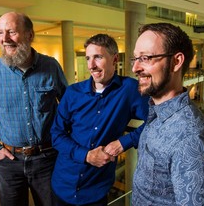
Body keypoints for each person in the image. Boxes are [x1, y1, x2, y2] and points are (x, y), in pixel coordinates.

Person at [0, 12, 68, 206]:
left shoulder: (50, 66)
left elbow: (68, 110)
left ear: (30, 35)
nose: (4, 39)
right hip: (9, 162)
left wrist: (65, 145)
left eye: (11, 32)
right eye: (0, 32)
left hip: (47, 160)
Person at [50, 33, 149, 205]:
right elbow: (56, 135)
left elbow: (156, 121)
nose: (91, 65)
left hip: (95, 191)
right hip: (62, 185)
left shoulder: (129, 90)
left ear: (114, 59)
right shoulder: (73, 93)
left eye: (98, 57)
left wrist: (123, 142)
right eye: (88, 58)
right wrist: (86, 155)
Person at [131, 23, 204, 206]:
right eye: (135, 59)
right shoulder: (157, 112)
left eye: (145, 58)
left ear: (176, 62)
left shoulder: (191, 139)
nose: (135, 68)